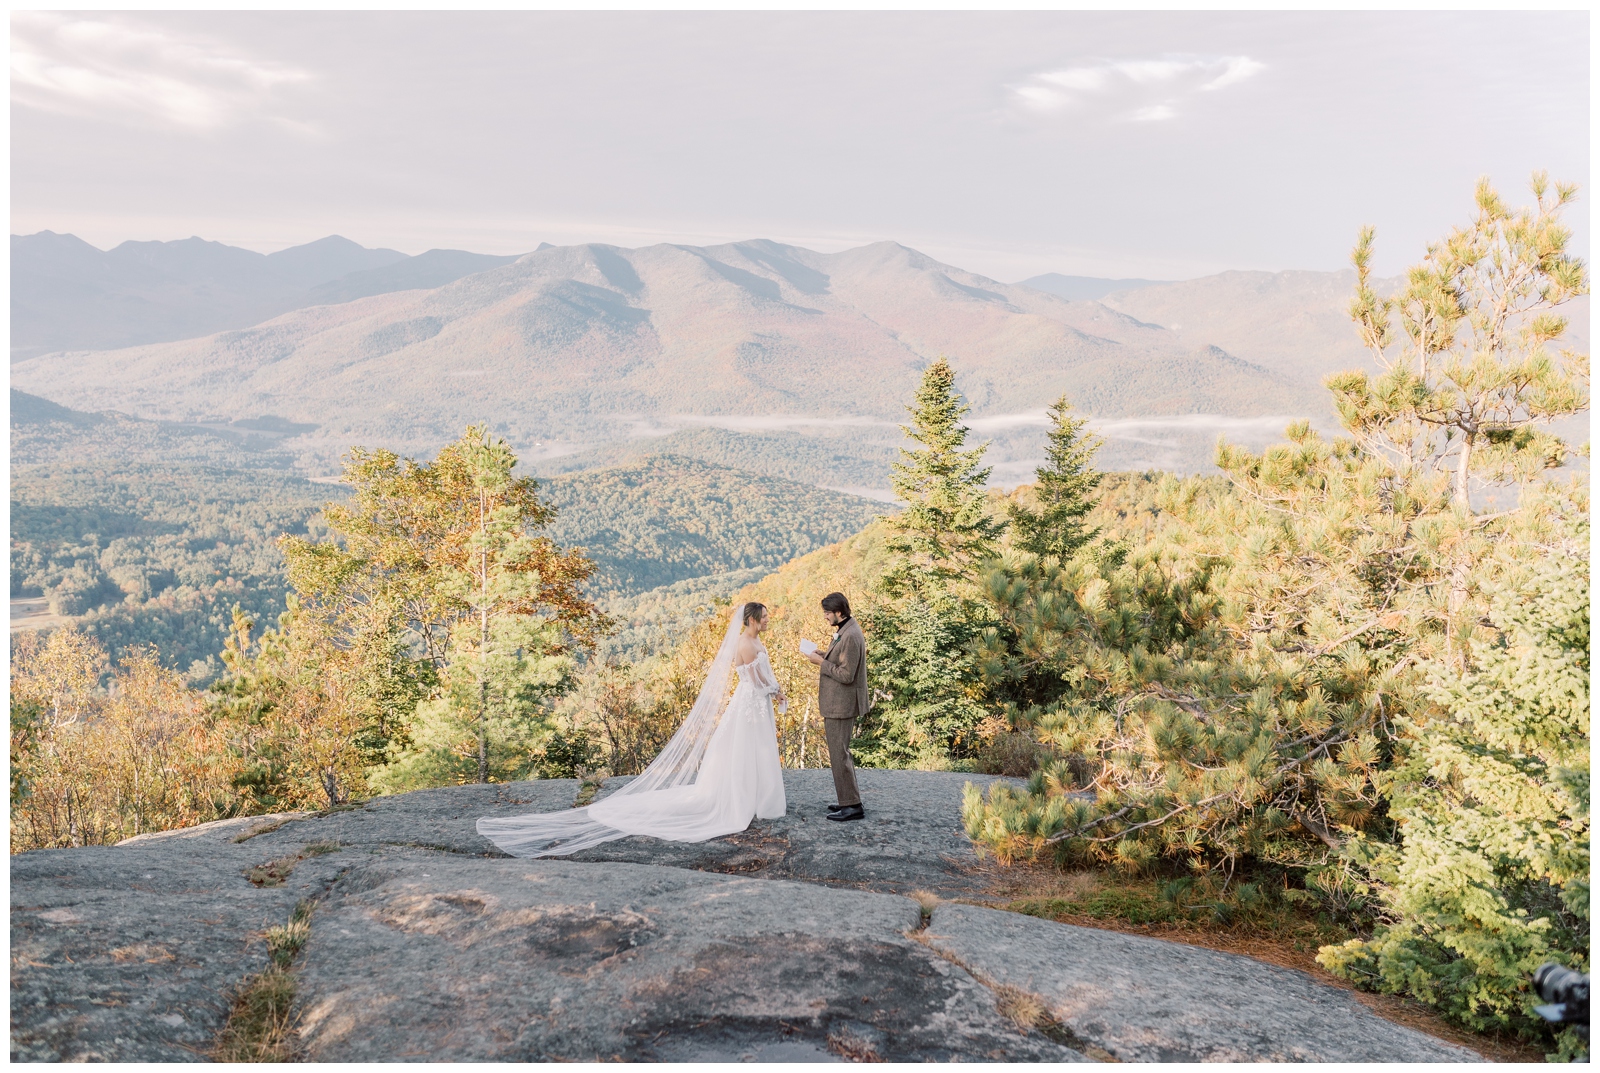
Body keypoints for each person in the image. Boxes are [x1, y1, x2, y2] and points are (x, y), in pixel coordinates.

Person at [476, 602, 787, 857]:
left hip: (754, 703)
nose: (769, 619)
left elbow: (762, 677)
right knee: (747, 750)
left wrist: (774, 689)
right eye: (765, 616)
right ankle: (746, 798)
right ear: (752, 619)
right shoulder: (745, 643)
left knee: (751, 750)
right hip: (751, 703)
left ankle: (756, 795)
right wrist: (775, 691)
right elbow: (755, 680)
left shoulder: (755, 640)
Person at [801, 591, 868, 822]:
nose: (825, 617)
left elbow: (847, 674)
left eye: (828, 613)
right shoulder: (846, 629)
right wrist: (825, 655)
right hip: (838, 702)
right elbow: (840, 660)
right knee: (840, 754)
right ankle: (847, 801)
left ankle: (852, 806)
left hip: (842, 704)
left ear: (839, 612)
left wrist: (821, 663)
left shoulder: (850, 635)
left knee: (840, 755)